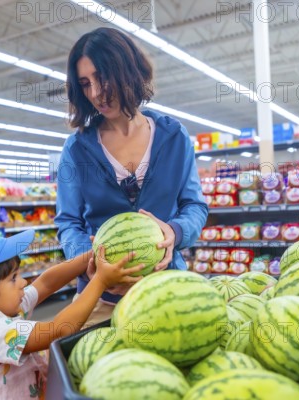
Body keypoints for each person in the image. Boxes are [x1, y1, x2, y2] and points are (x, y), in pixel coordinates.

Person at [55, 27, 208, 325]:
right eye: (85, 84)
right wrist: (92, 260)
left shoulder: (173, 137)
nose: (96, 93)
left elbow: (195, 206)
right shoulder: (77, 148)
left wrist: (174, 232)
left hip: (167, 290)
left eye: (102, 78)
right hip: (99, 297)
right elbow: (68, 221)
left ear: (128, 71)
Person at [0, 230, 142, 400]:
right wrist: (101, 281)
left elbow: (45, 283)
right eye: (14, 278)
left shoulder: (0, 306)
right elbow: (58, 330)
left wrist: (92, 255)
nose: (24, 282)